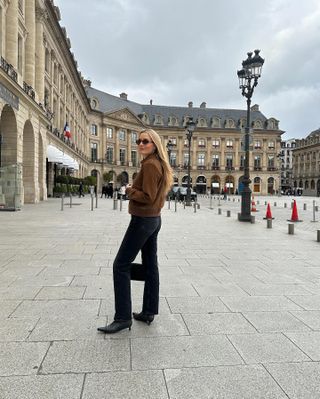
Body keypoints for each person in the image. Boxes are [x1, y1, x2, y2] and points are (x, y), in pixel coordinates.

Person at [98, 129, 173, 334]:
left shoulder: (150, 165)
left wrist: (129, 190)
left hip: (142, 220)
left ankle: (122, 317)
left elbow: (147, 196)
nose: (140, 144)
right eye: (138, 141)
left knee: (120, 265)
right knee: (151, 266)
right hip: (153, 219)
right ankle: (149, 310)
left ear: (154, 144)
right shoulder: (157, 163)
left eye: (145, 141)